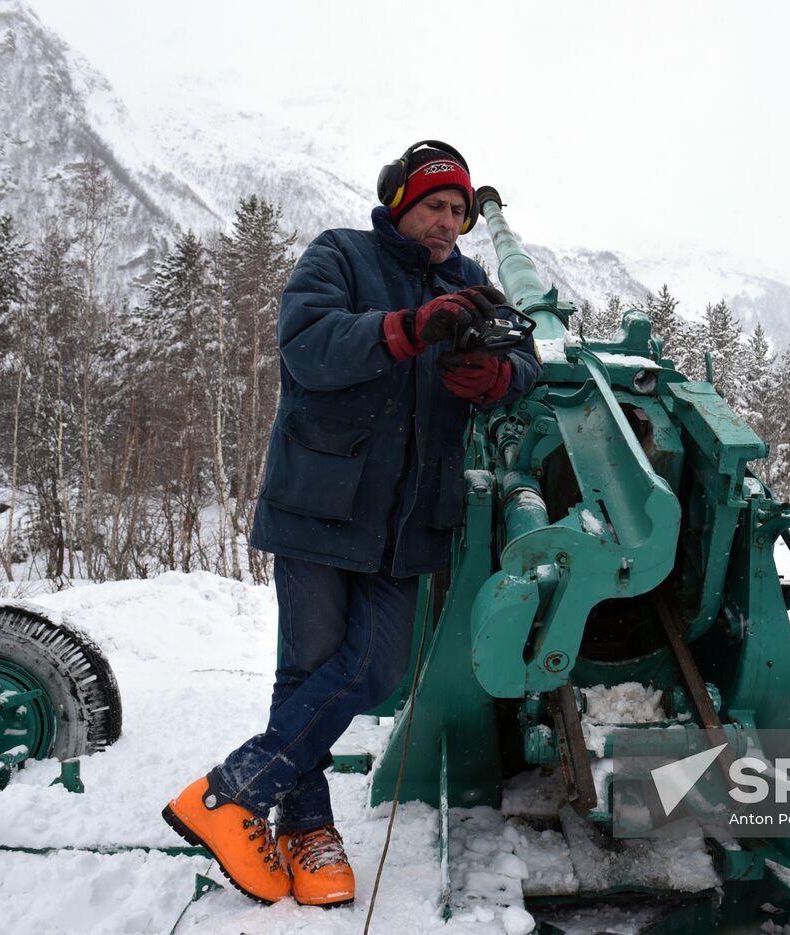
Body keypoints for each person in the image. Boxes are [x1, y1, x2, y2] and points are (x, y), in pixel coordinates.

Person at [162, 141, 540, 908]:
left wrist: (497, 377)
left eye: (459, 212)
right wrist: (406, 328)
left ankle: (231, 790)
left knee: (376, 668)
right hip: (320, 503)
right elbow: (307, 348)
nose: (447, 223)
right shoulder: (340, 255)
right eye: (435, 205)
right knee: (307, 670)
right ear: (399, 201)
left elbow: (526, 358)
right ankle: (307, 831)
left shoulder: (471, 283)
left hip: (410, 520)